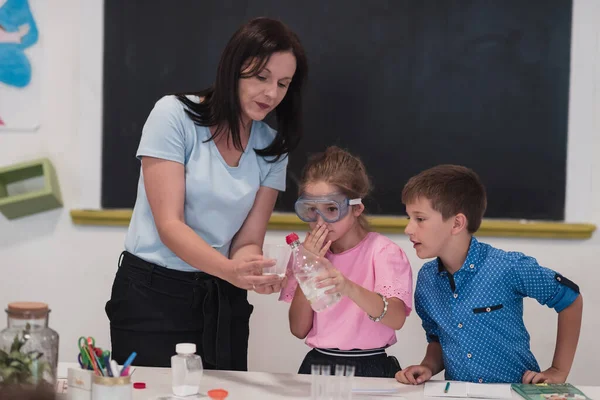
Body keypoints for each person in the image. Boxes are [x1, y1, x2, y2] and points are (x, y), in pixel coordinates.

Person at [104, 17, 308, 370]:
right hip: (153, 293)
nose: (271, 94)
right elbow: (170, 225)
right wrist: (229, 270)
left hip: (222, 298)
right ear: (233, 68)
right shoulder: (173, 115)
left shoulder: (273, 146)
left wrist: (251, 270)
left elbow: (247, 238)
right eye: (261, 77)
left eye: (283, 83)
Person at [396, 165, 583, 385]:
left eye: (419, 219)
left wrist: (558, 370)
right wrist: (428, 366)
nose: (408, 229)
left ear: (457, 223)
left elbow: (571, 300)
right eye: (409, 218)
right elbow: (438, 339)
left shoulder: (508, 266)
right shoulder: (427, 280)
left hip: (514, 391)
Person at [279, 146, 413, 378]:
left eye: (331, 209)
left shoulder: (383, 253)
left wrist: (347, 286)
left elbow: (396, 318)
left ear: (357, 208)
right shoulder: (304, 254)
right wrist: (307, 267)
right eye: (311, 210)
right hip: (317, 365)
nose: (319, 221)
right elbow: (298, 329)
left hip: (370, 366)